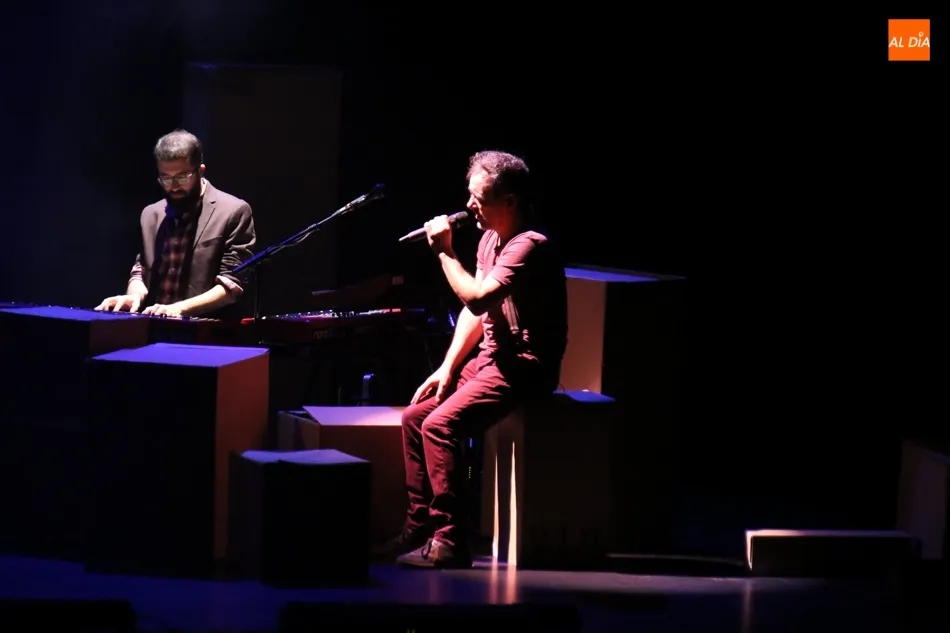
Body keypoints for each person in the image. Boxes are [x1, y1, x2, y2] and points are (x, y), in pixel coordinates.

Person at [379, 150, 568, 568]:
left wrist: (444, 252)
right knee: (415, 418)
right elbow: (474, 314)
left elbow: (478, 298)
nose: (469, 206)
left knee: (440, 426)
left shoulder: (529, 245)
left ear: (510, 201)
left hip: (524, 366)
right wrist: (447, 368)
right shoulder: (488, 240)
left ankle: (450, 541)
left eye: (478, 199)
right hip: (491, 361)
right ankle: (420, 526)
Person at [94, 129, 256, 318]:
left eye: (182, 177)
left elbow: (231, 285)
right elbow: (141, 270)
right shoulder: (151, 214)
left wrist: (178, 309)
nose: (174, 186)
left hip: (206, 329)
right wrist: (133, 297)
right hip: (155, 324)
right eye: (166, 178)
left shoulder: (233, 211)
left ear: (200, 171)